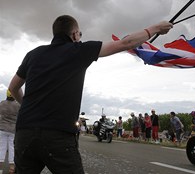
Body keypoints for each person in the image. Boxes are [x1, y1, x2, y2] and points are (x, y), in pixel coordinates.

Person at [8, 15, 173, 174]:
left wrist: (28, 107)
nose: (80, 37)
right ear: (74, 34)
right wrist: (156, 28)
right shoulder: (79, 50)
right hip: (57, 134)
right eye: (80, 34)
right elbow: (125, 43)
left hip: (25, 133)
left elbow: (13, 87)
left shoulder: (33, 54)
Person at [0, 90, 20, 174]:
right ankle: (11, 168)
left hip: (2, 129)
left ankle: (0, 169)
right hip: (12, 130)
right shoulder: (18, 105)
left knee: (2, 147)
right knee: (12, 148)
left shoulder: (2, 103)